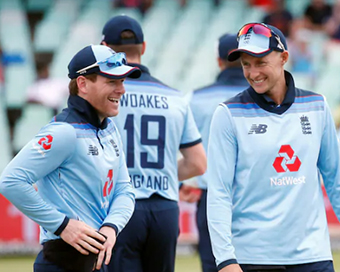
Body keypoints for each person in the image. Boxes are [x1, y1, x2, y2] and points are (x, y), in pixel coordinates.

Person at [207, 22, 339, 272]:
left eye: (260, 62)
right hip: (254, 259)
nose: (252, 72)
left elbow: (336, 180)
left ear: (284, 58)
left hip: (314, 256)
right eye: (246, 64)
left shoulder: (317, 106)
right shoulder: (227, 114)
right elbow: (219, 193)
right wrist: (225, 259)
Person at [0, 44, 141, 272]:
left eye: (122, 81)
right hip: (62, 262)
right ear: (83, 84)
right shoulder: (64, 132)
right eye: (112, 82)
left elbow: (125, 190)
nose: (121, 90)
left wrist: (111, 227)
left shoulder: (110, 128)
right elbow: (10, 181)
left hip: (98, 260)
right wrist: (62, 226)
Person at [100, 15, 207, 272]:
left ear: (104, 48)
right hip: (165, 209)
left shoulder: (104, 95)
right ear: (144, 48)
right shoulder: (175, 97)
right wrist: (165, 173)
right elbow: (198, 163)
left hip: (118, 208)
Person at [181, 33, 248, 272]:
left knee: (214, 264)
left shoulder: (195, 98)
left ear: (219, 61)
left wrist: (184, 182)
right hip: (256, 194)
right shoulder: (265, 95)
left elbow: (179, 145)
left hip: (211, 195)